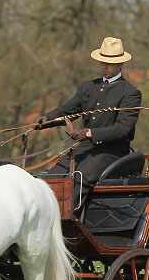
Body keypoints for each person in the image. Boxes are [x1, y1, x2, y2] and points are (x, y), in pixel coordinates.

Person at [35, 36, 142, 195]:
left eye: (109, 62)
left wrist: (89, 133)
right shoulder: (88, 87)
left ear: (120, 63)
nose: (103, 65)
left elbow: (123, 128)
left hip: (110, 153)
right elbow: (67, 110)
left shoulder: (130, 93)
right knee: (50, 181)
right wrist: (46, 119)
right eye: (102, 61)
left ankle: (73, 218)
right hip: (83, 149)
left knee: (76, 186)